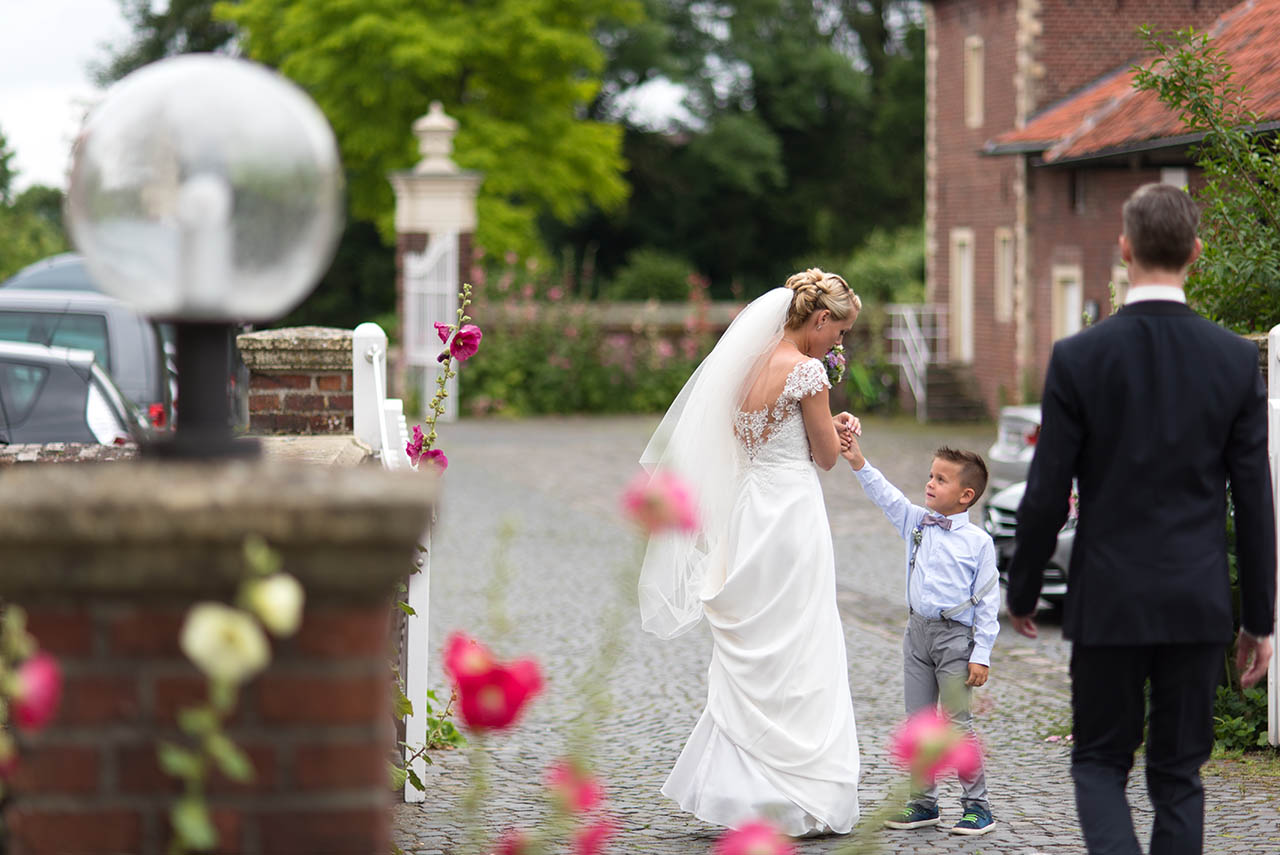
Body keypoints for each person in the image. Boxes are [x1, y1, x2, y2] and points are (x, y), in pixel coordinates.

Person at [1007, 182, 1276, 855]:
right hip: (1195, 600)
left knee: (1099, 761)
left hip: (1107, 598)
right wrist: (1260, 619)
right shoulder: (1235, 360)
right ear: (1196, 251)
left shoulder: (1078, 358)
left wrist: (1021, 589)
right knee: (1180, 774)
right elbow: (1256, 499)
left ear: (1124, 246)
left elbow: (1045, 494)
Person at [637, 268, 862, 836]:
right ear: (818, 319)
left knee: (761, 645)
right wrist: (841, 430)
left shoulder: (747, 365)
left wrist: (817, 428)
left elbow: (748, 438)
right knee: (801, 639)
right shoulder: (808, 371)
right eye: (838, 330)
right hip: (790, 516)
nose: (839, 342)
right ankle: (795, 794)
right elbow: (826, 457)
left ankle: (741, 793)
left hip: (750, 513)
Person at [838, 431, 1000, 836]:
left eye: (941, 480)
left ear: (965, 495)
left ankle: (978, 807)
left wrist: (981, 653)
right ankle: (923, 802)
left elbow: (988, 601)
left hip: (955, 640)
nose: (929, 483)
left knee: (957, 724)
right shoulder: (916, 522)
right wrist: (858, 460)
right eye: (930, 475)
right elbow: (886, 495)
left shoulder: (978, 543)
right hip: (917, 634)